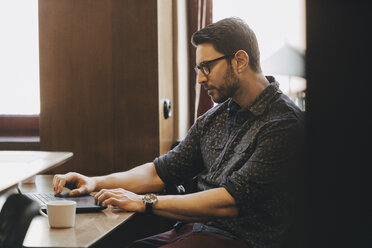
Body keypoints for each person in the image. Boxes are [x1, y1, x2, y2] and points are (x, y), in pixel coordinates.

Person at [53, 17, 304, 248]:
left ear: (239, 61)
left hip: (242, 239)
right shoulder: (214, 119)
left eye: (206, 67)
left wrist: (145, 202)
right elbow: (160, 171)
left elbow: (230, 201)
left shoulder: (283, 124)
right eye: (198, 69)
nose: (200, 79)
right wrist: (95, 182)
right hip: (195, 229)